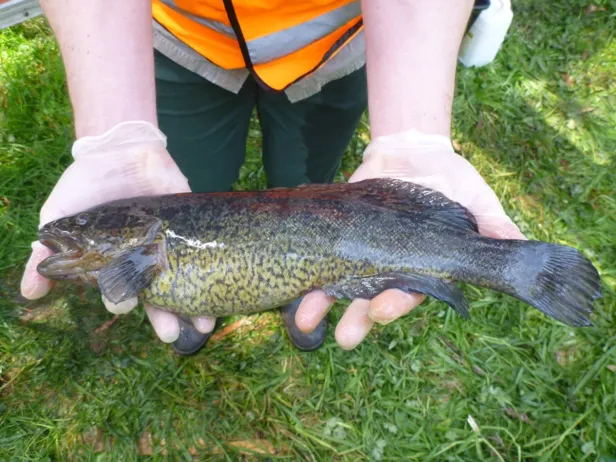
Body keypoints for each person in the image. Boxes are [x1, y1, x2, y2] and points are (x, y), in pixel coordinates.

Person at [20, 0, 525, 356]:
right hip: (177, 38)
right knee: (193, 175)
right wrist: (116, 136)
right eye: (85, 228)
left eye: (86, 228)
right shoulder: (138, 245)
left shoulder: (135, 251)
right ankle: (240, 306)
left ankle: (300, 297)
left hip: (333, 44)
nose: (73, 235)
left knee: (311, 178)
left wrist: (414, 137)